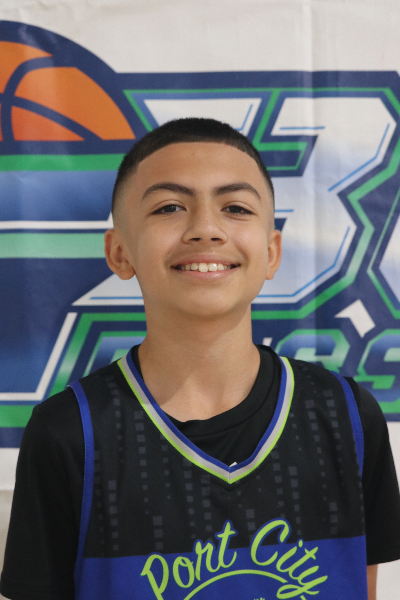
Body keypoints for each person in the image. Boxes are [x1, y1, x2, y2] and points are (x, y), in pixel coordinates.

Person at [1, 118, 400, 600]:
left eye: (235, 208)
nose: (206, 229)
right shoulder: (69, 433)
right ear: (120, 252)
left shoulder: (346, 417)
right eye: (170, 207)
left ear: (271, 252)